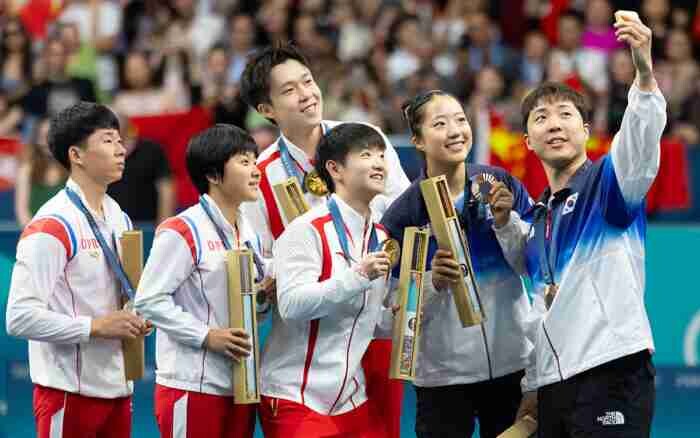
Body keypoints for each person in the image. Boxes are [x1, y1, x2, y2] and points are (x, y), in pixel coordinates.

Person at [508, 11, 666, 438]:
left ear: (585, 127)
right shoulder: (539, 218)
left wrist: (645, 77)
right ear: (528, 140)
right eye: (540, 118)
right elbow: (544, 310)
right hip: (557, 384)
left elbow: (639, 139)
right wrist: (534, 385)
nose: (554, 124)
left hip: (612, 370)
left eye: (564, 114)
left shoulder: (610, 183)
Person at [239, 43, 409, 437]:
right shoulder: (261, 177)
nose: (306, 94)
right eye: (289, 90)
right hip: (310, 339)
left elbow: (402, 219)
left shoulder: (367, 141)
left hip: (375, 325)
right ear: (266, 109)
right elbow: (260, 263)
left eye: (308, 81)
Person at [381, 90, 533, 438]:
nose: (455, 130)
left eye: (460, 120)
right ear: (417, 140)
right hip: (442, 379)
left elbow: (533, 266)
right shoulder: (404, 215)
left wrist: (507, 223)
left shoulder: (500, 185)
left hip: (513, 366)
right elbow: (394, 310)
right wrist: (432, 283)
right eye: (440, 124)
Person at [5, 101, 148, 438]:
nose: (121, 149)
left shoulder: (118, 215)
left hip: (118, 387)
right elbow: (19, 316)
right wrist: (96, 326)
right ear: (76, 155)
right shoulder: (51, 226)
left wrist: (136, 315)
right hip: (69, 391)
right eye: (108, 141)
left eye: (120, 140)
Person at [135, 124, 273, 438]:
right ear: (212, 175)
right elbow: (148, 300)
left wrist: (264, 296)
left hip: (240, 383)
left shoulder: (247, 230)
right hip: (192, 385)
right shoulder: (182, 229)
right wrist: (206, 335)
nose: (256, 171)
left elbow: (249, 305)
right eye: (244, 162)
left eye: (256, 160)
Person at [259, 123, 394, 438]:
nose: (378, 163)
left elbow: (369, 322)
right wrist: (358, 275)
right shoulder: (305, 230)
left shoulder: (380, 236)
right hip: (294, 394)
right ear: (335, 169)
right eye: (366, 155)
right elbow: (291, 305)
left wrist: (420, 301)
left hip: (350, 397)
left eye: (381, 155)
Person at [106, 116, 175, 224]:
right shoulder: (97, 155)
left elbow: (166, 188)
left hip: (147, 225)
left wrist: (164, 225)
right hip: (109, 226)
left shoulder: (151, 150)